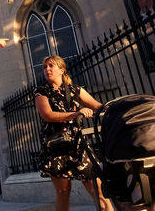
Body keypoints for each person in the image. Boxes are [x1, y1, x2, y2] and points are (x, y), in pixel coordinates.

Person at [34, 55, 113, 211]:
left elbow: (99, 106)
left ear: (62, 69)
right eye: (45, 67)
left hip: (79, 146)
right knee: (63, 192)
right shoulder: (41, 91)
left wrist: (115, 109)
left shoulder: (76, 89)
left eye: (51, 66)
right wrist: (76, 114)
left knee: (98, 189)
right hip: (56, 148)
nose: (47, 69)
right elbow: (47, 115)